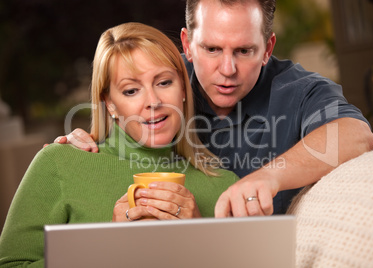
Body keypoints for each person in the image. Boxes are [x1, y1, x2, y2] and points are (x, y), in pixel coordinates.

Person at [53, 0, 373, 217]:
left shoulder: (298, 90)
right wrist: (87, 141)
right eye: (211, 48)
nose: (227, 69)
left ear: (268, 49)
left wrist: (266, 177)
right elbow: (116, 106)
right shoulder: (163, 80)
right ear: (186, 44)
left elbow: (356, 134)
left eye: (244, 51)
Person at [0, 22, 238, 266]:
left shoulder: (225, 187)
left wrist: (201, 239)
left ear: (184, 89)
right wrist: (108, 248)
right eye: (131, 90)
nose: (153, 101)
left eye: (164, 82)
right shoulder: (58, 163)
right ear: (110, 103)